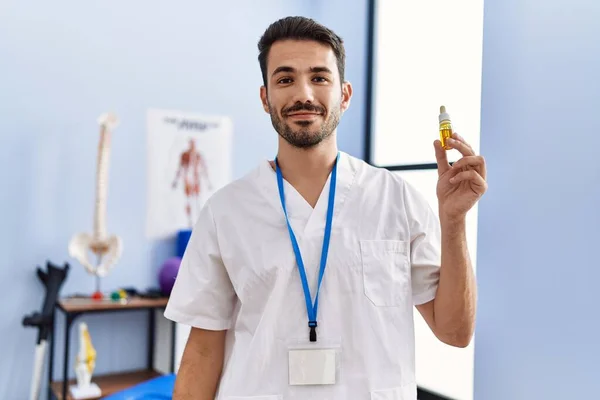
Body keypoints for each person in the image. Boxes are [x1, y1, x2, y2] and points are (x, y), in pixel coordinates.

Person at [164, 16, 487, 400]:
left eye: (319, 77)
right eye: (285, 79)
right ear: (266, 97)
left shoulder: (396, 198)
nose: (304, 93)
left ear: (345, 95)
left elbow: (455, 332)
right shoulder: (225, 211)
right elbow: (202, 350)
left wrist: (453, 222)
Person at [171, 138, 212, 227]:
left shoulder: (198, 155)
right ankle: (189, 221)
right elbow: (180, 168)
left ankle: (198, 221)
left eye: (194, 144)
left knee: (197, 200)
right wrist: (176, 181)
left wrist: (208, 182)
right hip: (188, 179)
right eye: (191, 144)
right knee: (189, 200)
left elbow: (204, 169)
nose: (192, 146)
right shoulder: (185, 155)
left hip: (196, 179)